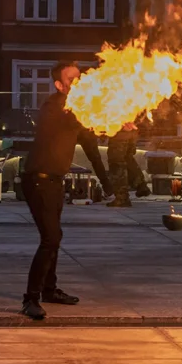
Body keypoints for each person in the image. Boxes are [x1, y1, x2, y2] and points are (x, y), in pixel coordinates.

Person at [20, 62, 113, 320]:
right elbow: (69, 120)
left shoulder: (78, 112)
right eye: (72, 80)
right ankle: (30, 299)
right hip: (37, 181)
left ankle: (49, 289)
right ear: (60, 85)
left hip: (55, 182)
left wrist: (107, 183)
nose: (79, 83)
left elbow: (92, 149)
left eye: (79, 78)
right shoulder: (52, 108)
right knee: (50, 238)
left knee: (55, 237)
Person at [106, 121, 151, 207]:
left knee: (116, 162)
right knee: (127, 157)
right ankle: (140, 184)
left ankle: (121, 197)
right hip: (131, 127)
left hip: (120, 127)